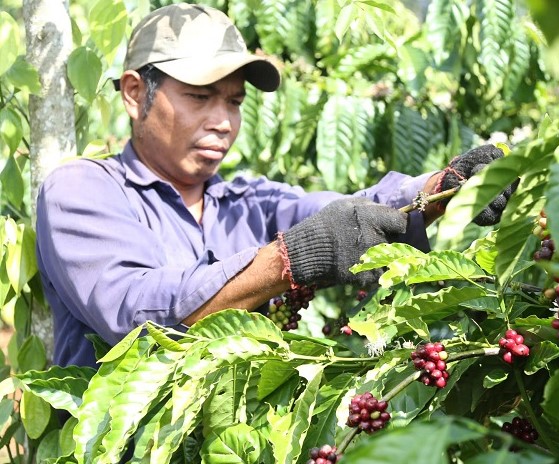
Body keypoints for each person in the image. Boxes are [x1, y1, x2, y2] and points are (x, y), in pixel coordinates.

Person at [35, 3, 514, 368]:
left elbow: (348, 211)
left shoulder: (248, 203)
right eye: (200, 97)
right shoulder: (81, 193)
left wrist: (443, 189)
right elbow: (133, 312)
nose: (222, 121)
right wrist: (288, 260)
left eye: (234, 102)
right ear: (136, 94)